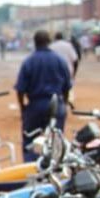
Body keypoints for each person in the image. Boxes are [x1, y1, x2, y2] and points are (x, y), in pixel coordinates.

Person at [15, 30, 71, 162]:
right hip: (56, 103)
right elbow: (67, 86)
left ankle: (31, 166)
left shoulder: (29, 61)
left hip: (36, 105)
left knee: (30, 138)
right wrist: (64, 103)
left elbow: (20, 89)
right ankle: (54, 166)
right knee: (56, 140)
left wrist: (22, 107)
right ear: (49, 42)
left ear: (35, 43)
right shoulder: (60, 60)